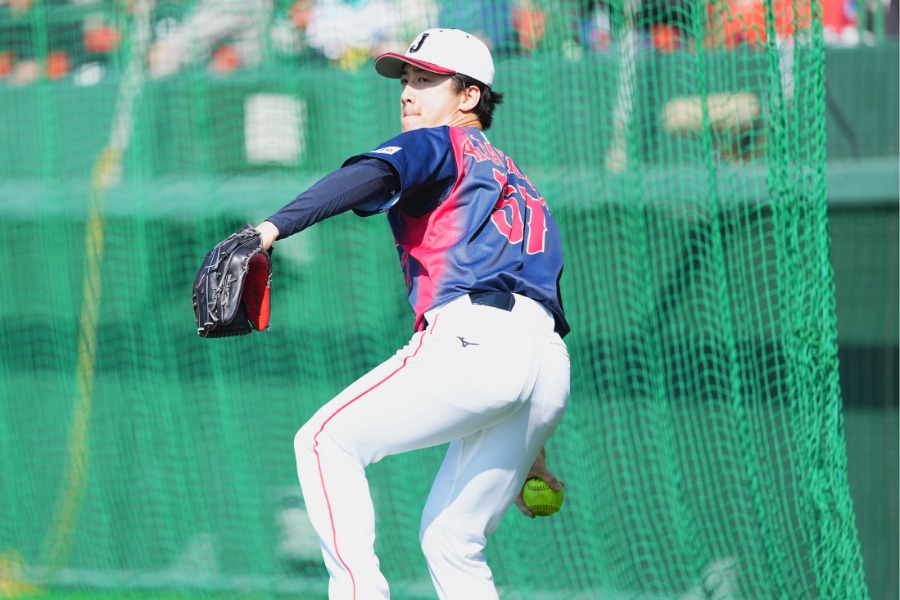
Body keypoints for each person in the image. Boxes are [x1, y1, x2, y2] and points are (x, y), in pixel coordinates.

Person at [251, 28, 571, 599]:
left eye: (426, 80)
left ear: (469, 96)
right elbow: (530, 309)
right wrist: (532, 441)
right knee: (452, 542)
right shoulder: (517, 178)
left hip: (475, 339)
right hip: (544, 367)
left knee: (323, 441)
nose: (407, 92)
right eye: (406, 79)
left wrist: (270, 229)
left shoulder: (443, 142)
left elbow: (370, 176)